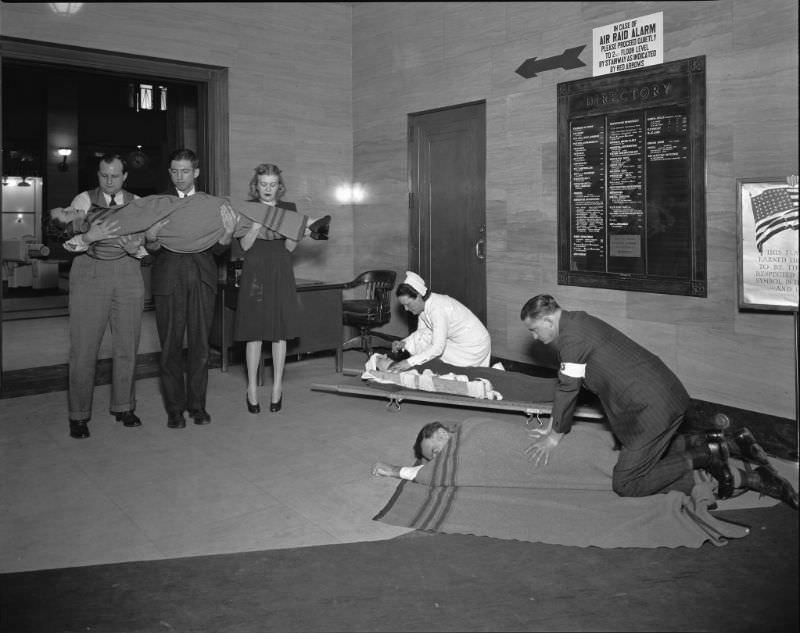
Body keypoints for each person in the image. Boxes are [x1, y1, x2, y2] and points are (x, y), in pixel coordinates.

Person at [517, 294, 798, 508]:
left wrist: (554, 436)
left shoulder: (572, 339)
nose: (535, 337)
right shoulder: (578, 321)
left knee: (626, 483)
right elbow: (569, 387)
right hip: (664, 394)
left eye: (534, 330)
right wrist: (554, 422)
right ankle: (723, 442)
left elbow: (568, 389)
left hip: (651, 408)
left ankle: (705, 455)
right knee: (655, 450)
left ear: (548, 321)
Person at [143, 149, 237, 428]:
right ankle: (174, 409)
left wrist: (228, 234)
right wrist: (150, 238)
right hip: (168, 279)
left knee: (200, 346)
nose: (179, 177)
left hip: (202, 279)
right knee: (170, 346)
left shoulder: (212, 205)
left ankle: (197, 406)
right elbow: (151, 251)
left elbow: (219, 251)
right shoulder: (159, 204)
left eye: (185, 171)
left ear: (196, 172)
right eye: (174, 171)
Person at [61, 153, 145, 439]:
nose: (109, 181)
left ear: (125, 176)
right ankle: (79, 415)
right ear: (97, 174)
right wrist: (88, 237)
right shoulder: (82, 201)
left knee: (127, 344)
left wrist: (137, 249)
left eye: (115, 176)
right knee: (84, 347)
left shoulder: (137, 203)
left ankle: (124, 406)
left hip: (127, 273)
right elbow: (65, 243)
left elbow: (148, 246)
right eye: (103, 175)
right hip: (90, 273)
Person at [233, 163, 302, 413]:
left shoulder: (289, 209)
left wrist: (294, 233)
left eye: (272, 184)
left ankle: (277, 388)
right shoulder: (247, 208)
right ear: (256, 185)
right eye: (263, 184)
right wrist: (255, 224)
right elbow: (245, 246)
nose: (268, 189)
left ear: (279, 186)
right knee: (254, 332)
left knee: (279, 332)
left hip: (280, 270)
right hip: (255, 271)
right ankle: (251, 389)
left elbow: (290, 248)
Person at [387, 271, 492, 372]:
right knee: (424, 339)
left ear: (418, 296)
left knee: (429, 348)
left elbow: (437, 348)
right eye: (404, 305)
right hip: (463, 343)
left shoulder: (438, 309)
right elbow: (422, 333)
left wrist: (409, 362)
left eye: (408, 304)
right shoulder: (425, 306)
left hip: (473, 348)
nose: (406, 309)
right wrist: (404, 343)